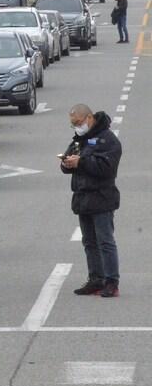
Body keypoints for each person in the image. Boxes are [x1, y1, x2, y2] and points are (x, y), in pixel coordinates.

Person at [62, 104, 122, 298]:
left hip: (102, 197)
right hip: (83, 197)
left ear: (89, 118)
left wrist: (81, 162)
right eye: (73, 125)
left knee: (105, 241)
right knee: (89, 242)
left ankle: (111, 281)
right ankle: (96, 278)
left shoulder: (108, 139)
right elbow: (71, 161)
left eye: (78, 123)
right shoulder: (80, 139)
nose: (76, 127)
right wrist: (67, 162)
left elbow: (107, 168)